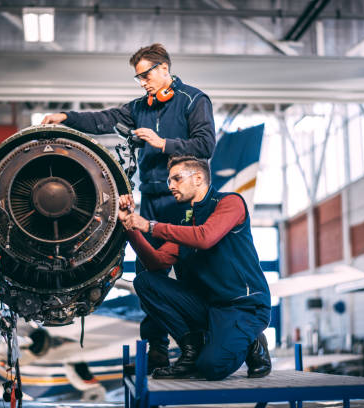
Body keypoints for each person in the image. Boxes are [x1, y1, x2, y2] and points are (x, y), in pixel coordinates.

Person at [41, 44, 216, 372]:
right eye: (138, 78)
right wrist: (67, 117)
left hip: (188, 202)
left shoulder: (194, 101)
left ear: (164, 68)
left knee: (198, 274)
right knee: (149, 277)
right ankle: (158, 355)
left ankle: (223, 341)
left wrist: (164, 143)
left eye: (146, 75)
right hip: (151, 200)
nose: (143, 83)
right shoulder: (140, 107)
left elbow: (206, 144)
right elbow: (104, 119)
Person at [118, 156, 272, 380]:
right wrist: (130, 226)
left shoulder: (230, 203)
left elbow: (205, 237)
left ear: (198, 178)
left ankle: (253, 340)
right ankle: (191, 350)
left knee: (211, 367)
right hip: (210, 308)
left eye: (177, 179)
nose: (170, 186)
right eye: (170, 181)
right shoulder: (186, 225)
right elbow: (157, 262)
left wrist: (150, 226)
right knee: (145, 281)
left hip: (244, 307)